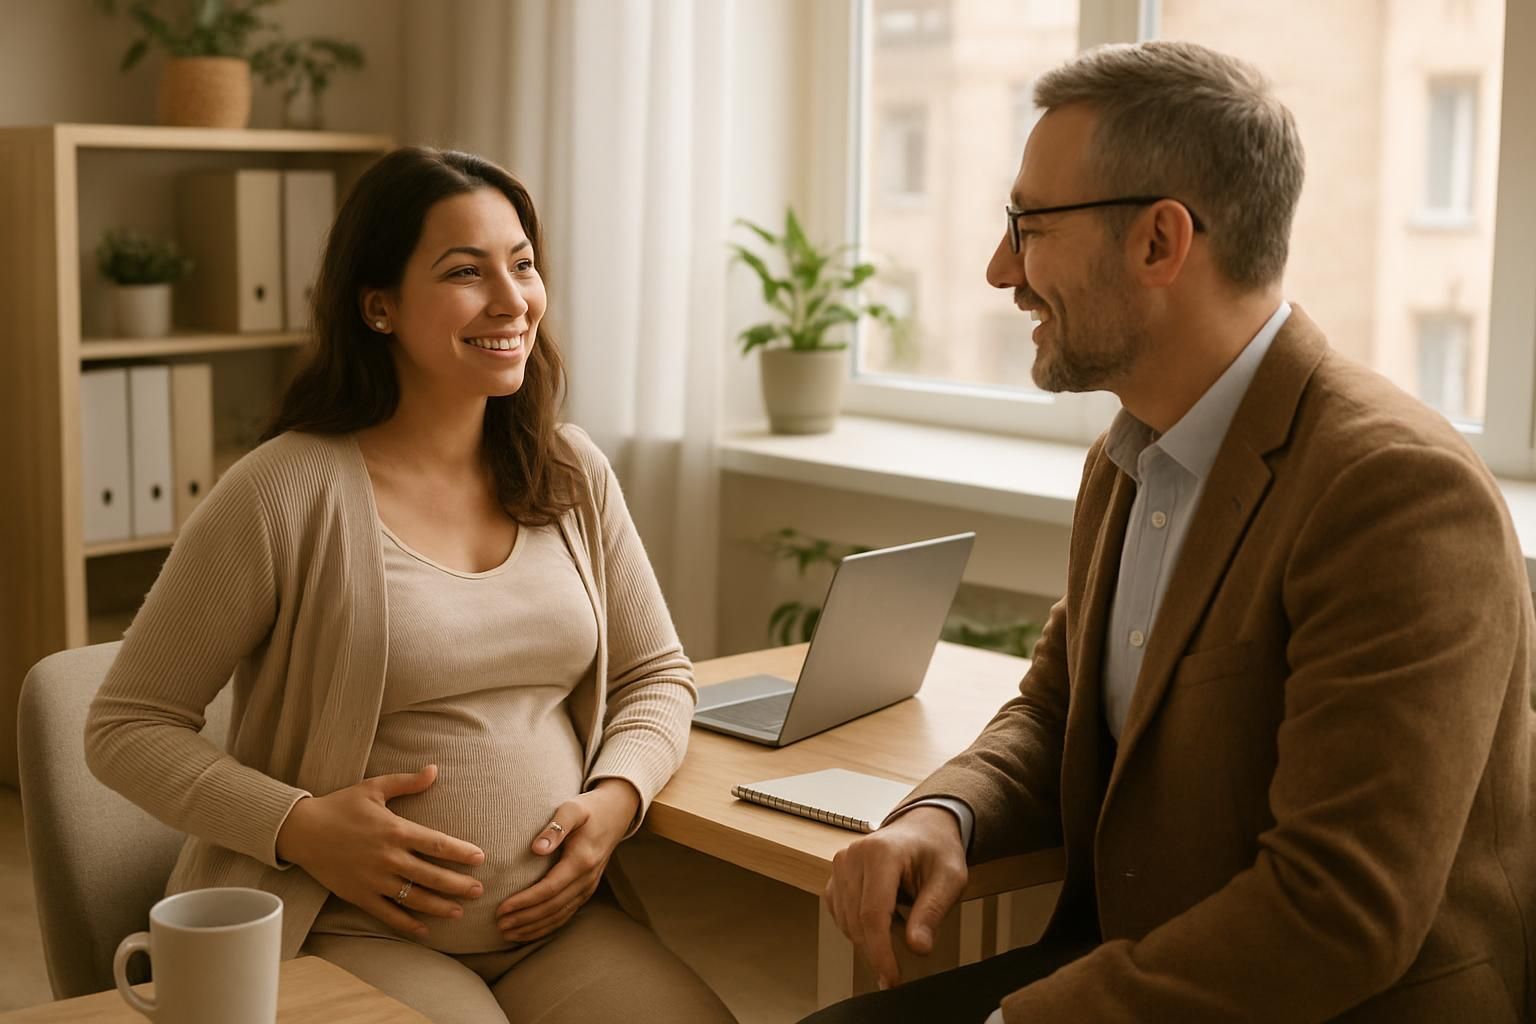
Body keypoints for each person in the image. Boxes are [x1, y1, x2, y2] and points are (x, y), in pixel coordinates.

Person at [813, 40, 1536, 1024]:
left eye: (1026, 226)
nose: (999, 271)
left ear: (1160, 243)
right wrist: (948, 813)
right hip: (1142, 975)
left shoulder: (1395, 494)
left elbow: (1338, 912)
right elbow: (1059, 704)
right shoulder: (1131, 453)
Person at [85, 147, 736, 1024]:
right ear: (378, 306)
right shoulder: (283, 490)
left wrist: (617, 800)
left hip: (557, 927)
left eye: (524, 264)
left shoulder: (568, 470)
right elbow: (126, 725)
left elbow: (658, 675)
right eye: (465, 272)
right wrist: (300, 824)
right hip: (344, 926)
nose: (512, 301)